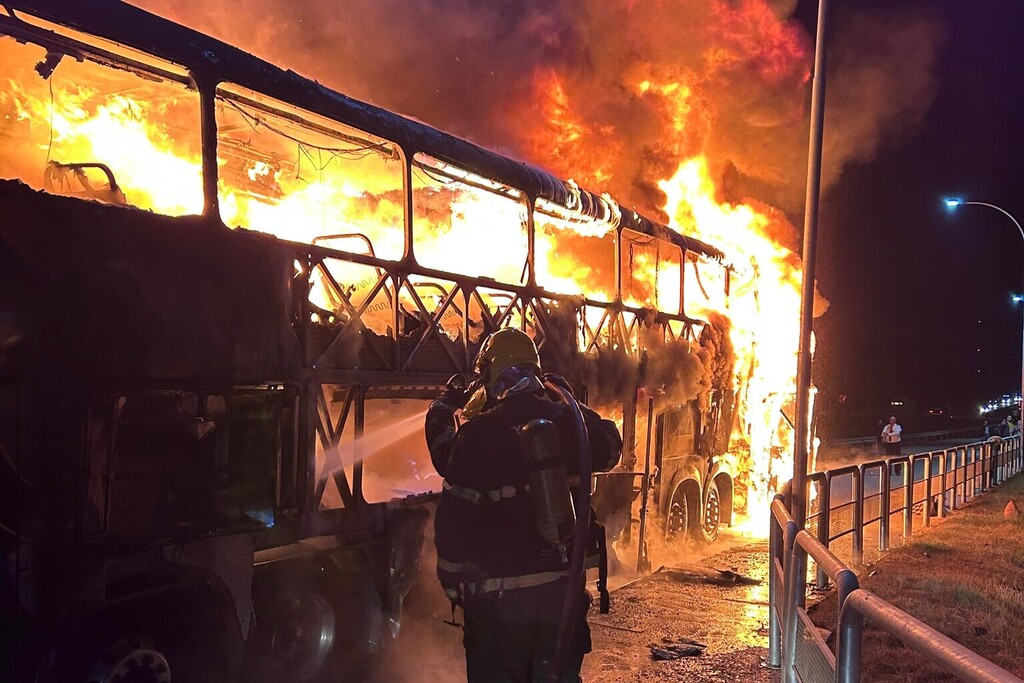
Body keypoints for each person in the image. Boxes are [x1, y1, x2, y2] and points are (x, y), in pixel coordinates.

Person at [425, 328, 622, 683]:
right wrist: (568, 400)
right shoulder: (569, 424)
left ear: (492, 374)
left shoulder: (478, 434)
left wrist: (442, 407)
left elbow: (447, 483)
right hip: (560, 602)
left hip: (499, 610)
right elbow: (610, 445)